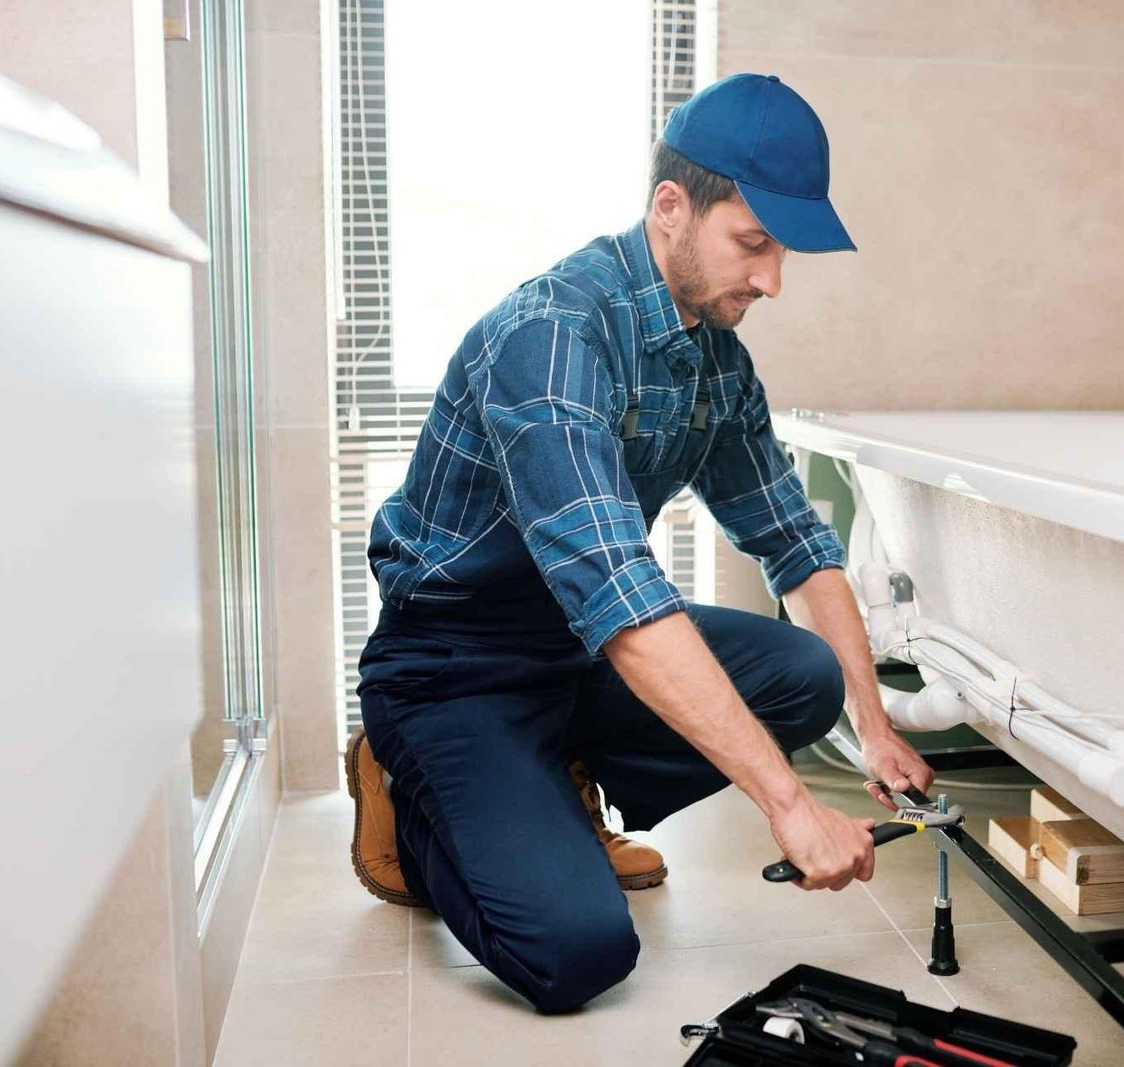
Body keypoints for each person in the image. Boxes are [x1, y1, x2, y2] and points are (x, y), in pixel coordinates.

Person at [347, 73, 935, 1014]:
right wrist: (790, 803)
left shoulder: (714, 358)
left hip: (573, 650)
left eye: (780, 249)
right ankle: (403, 782)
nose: (772, 279)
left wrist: (870, 723)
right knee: (575, 953)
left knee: (806, 676)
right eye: (754, 243)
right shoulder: (551, 335)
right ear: (671, 207)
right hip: (459, 663)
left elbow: (796, 543)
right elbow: (621, 593)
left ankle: (560, 780)